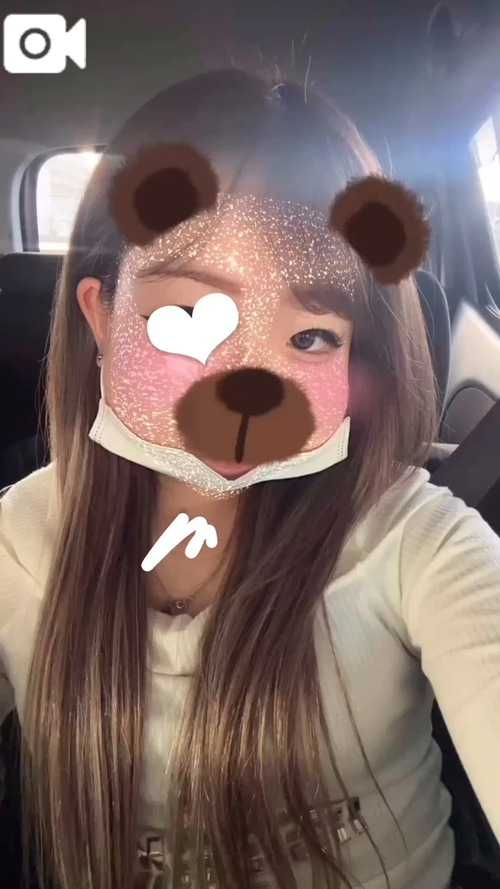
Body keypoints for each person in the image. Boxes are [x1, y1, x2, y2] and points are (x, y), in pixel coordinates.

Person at [0, 68, 499, 889]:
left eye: (310, 337)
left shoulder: (418, 542)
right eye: (187, 319)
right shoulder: (19, 542)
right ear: (102, 314)